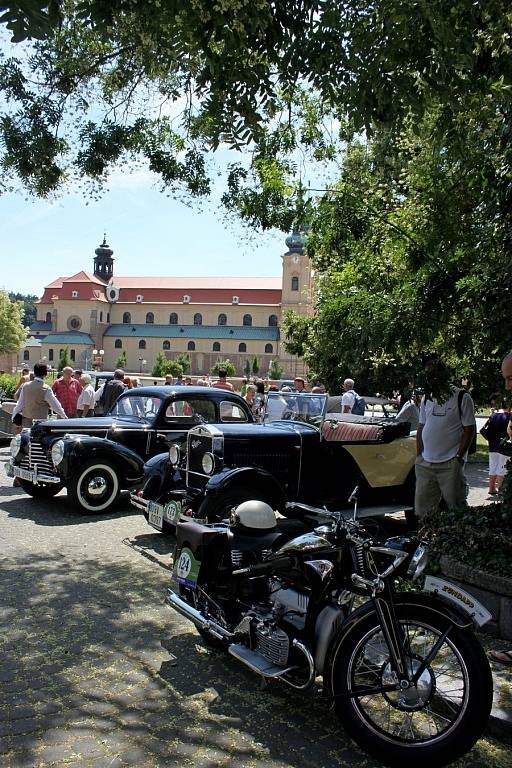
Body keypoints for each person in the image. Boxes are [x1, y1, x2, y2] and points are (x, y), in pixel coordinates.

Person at [414, 356, 476, 521]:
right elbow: (421, 426)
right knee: (423, 512)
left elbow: (469, 430)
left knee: (456, 509)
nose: (429, 378)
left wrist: (458, 458)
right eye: (427, 375)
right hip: (425, 463)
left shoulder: (461, 396)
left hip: (450, 463)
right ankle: (426, 542)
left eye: (433, 374)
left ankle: (457, 541)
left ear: (443, 375)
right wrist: (419, 455)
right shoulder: (427, 397)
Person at [12, 362, 67, 428]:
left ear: (34, 373)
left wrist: (13, 417)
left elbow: (20, 404)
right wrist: (64, 416)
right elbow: (55, 405)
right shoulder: (46, 388)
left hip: (26, 422)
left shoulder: (25, 386)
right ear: (45, 374)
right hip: (40, 423)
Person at [480, 393, 510, 498]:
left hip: (492, 445)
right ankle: (500, 490)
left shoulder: (493, 415)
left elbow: (485, 428)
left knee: (493, 466)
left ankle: (491, 488)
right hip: (504, 446)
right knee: (502, 467)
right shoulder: (510, 417)